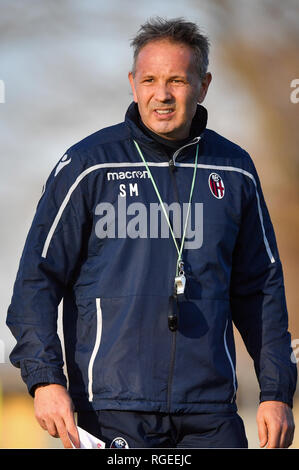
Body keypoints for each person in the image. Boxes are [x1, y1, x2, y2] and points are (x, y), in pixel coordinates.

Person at [7, 17, 297, 449]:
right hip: (110, 408)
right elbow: (36, 281)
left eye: (177, 80)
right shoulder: (89, 166)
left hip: (211, 410)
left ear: (204, 84)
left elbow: (261, 290)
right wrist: (45, 380)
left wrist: (276, 392)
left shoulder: (235, 170)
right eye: (150, 80)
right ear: (132, 82)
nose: (161, 94)